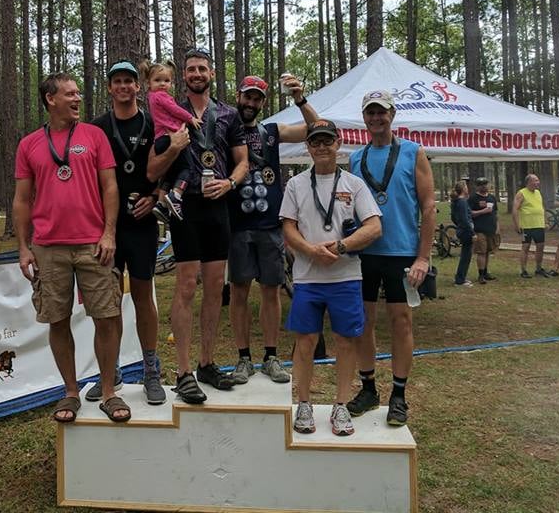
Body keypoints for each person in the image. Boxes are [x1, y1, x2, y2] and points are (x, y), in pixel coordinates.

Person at [13, 72, 130, 424]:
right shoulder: (29, 144)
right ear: (51, 99)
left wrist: (109, 233)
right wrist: (23, 247)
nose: (77, 99)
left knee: (107, 317)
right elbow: (21, 200)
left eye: (78, 93)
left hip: (93, 245)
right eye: (70, 94)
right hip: (48, 247)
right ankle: (70, 391)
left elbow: (110, 188)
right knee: (57, 319)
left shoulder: (94, 136)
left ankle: (109, 391)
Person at [146, 48, 248, 404]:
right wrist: (173, 148)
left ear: (211, 73)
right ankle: (183, 371)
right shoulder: (166, 109)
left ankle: (207, 362)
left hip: (218, 204)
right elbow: (152, 170)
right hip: (184, 206)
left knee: (216, 286)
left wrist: (230, 184)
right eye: (190, 69)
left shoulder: (228, 114)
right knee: (187, 285)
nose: (197, 73)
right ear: (183, 76)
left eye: (202, 68)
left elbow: (243, 163)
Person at [281, 119, 382, 436]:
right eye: (315, 142)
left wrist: (340, 246)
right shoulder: (296, 184)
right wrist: (310, 251)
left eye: (327, 141)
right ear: (308, 147)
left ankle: (340, 405)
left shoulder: (354, 184)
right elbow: (287, 228)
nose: (322, 147)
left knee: (345, 340)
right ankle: (304, 403)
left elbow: (374, 227)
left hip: (346, 278)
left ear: (338, 144)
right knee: (306, 341)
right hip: (308, 278)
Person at [347, 90, 436, 426]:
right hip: (365, 253)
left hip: (401, 252)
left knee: (401, 322)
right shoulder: (356, 158)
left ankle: (399, 395)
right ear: (364, 117)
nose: (375, 119)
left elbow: (428, 206)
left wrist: (423, 258)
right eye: (370, 113)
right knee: (363, 323)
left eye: (381, 112)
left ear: (392, 115)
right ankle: (368, 388)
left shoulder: (414, 152)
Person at [226, 73, 319, 386]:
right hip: (237, 225)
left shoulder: (271, 132)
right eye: (247, 96)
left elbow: (316, 129)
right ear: (238, 96)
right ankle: (242, 358)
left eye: (257, 99)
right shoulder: (225, 129)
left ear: (263, 103)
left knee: (271, 290)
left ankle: (270, 356)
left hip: (270, 225)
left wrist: (300, 99)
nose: (250, 103)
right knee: (238, 291)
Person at [91, 60, 166, 405]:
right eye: (117, 81)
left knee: (142, 296)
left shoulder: (153, 123)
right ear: (110, 88)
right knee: (109, 303)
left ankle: (151, 369)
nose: (123, 87)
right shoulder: (97, 128)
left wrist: (155, 198)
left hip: (142, 224)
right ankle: (113, 370)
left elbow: (170, 166)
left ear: (139, 87)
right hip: (107, 228)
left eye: (129, 81)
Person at [141, 60, 200, 220]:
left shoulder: (151, 97)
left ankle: (161, 204)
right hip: (171, 137)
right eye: (157, 80)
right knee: (188, 168)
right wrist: (190, 118)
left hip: (161, 139)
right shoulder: (161, 96)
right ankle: (177, 195)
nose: (162, 84)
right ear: (148, 83)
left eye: (166, 81)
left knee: (170, 172)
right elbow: (174, 109)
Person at [512, 174, 548, 279]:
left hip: (539, 225)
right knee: (526, 247)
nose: (538, 182)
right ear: (529, 182)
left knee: (540, 247)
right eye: (535, 180)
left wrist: (546, 221)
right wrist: (516, 224)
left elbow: (541, 207)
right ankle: (523, 270)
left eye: (538, 180)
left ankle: (538, 268)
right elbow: (515, 209)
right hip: (526, 226)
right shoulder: (521, 193)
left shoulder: (538, 193)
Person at [468, 177, 499, 284]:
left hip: (491, 229)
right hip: (479, 229)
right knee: (481, 252)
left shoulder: (492, 198)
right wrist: (483, 211)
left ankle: (486, 272)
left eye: (485, 184)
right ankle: (480, 275)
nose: (484, 186)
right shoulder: (473, 198)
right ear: (477, 186)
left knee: (487, 252)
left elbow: (495, 213)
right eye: (481, 184)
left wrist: (497, 228)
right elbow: (470, 213)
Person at [450, 181, 475, 287]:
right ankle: (460, 280)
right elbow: (465, 220)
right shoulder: (462, 202)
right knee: (466, 256)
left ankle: (461, 277)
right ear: (463, 189)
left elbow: (454, 217)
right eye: (466, 186)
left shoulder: (456, 201)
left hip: (462, 230)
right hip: (466, 231)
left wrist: (459, 225)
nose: (467, 188)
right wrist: (472, 232)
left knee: (466, 255)